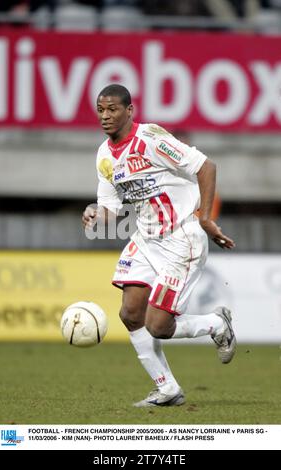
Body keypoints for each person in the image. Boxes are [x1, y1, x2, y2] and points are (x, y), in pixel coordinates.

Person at [82, 84, 236, 408]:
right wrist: (96, 214)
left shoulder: (151, 140)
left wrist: (206, 219)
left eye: (112, 109)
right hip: (146, 239)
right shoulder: (104, 155)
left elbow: (206, 166)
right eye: (101, 110)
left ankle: (217, 324)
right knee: (130, 313)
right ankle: (167, 389)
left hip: (181, 239)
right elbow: (110, 208)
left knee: (158, 326)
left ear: (129, 110)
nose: (105, 116)